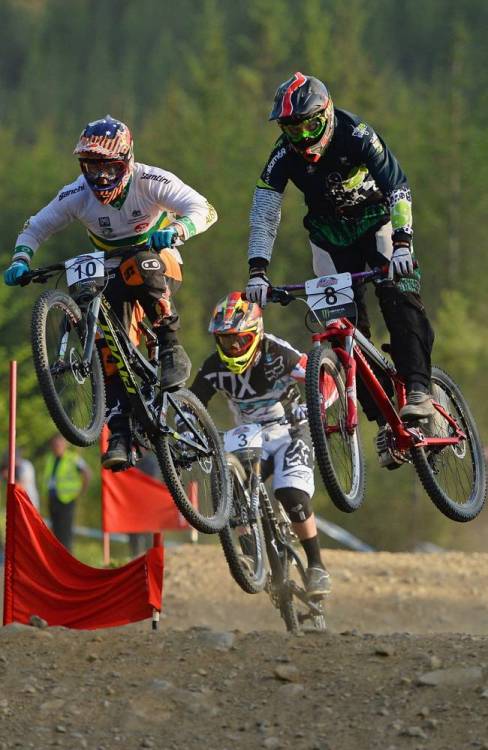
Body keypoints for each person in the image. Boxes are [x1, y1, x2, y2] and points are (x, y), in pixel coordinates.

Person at [3, 115, 218, 470]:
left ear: (127, 160)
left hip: (159, 261)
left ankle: (170, 344)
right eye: (91, 167)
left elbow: (205, 209)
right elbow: (35, 227)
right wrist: (21, 259)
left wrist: (178, 230)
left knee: (142, 263)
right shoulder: (76, 194)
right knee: (104, 336)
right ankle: (119, 427)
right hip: (111, 270)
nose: (100, 177)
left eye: (109, 167)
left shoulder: (150, 180)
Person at [245, 72, 435, 427]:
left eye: (309, 125)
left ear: (327, 114)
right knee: (340, 332)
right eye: (291, 129)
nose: (302, 137)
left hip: (377, 224)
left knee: (399, 297)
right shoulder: (283, 155)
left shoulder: (356, 133)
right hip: (329, 239)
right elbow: (264, 212)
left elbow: (397, 186)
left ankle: (420, 389)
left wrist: (403, 243)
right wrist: (257, 270)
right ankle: (384, 421)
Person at [190, 291, 331, 599]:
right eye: (225, 341)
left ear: (255, 333)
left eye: (238, 339)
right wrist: (184, 436)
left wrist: (316, 406)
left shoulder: (277, 353)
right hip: (251, 437)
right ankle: (250, 554)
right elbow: (192, 407)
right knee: (232, 483)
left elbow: (325, 378)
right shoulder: (214, 366)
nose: (233, 347)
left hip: (290, 432)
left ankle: (317, 565)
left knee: (289, 493)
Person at [42, 433, 92, 552]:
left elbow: (87, 473)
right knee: (55, 532)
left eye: (59, 443)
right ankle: (57, 559)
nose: (56, 446)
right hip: (53, 499)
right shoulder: (50, 458)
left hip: (67, 500)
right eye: (54, 444)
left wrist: (81, 492)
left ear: (65, 445)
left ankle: (67, 560)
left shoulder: (73, 458)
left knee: (65, 534)